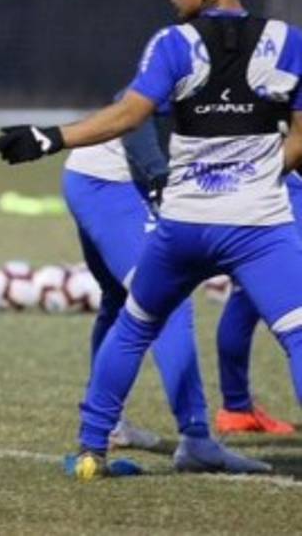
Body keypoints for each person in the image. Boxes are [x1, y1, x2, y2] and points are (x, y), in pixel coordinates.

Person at [0, 0, 302, 478]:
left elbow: (129, 114)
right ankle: (194, 436)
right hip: (253, 224)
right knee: (297, 333)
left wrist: (49, 137)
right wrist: (256, 177)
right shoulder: (289, 41)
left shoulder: (172, 44)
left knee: (135, 323)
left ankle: (92, 449)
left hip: (184, 224)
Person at [62, 121, 207, 451]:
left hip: (98, 177)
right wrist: (159, 173)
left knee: (118, 299)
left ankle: (107, 425)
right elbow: (134, 115)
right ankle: (196, 436)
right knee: (168, 301)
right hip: (110, 182)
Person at [211, 171, 302, 434]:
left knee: (245, 298)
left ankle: (236, 406)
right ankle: (236, 406)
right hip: (283, 189)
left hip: (253, 191)